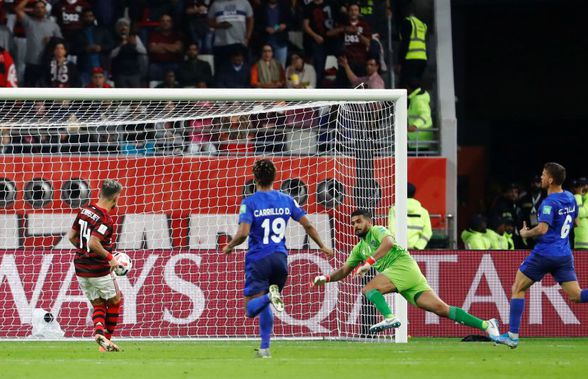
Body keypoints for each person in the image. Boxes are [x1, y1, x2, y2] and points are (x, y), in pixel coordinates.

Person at [311, 209, 500, 339]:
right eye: (353, 223)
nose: (356, 226)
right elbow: (344, 271)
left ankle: (390, 317)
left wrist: (369, 263)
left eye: (359, 221)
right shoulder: (359, 248)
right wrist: (326, 278)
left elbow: (389, 244)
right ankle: (487, 325)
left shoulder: (378, 230)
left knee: (369, 288)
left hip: (403, 266)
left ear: (369, 221)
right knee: (442, 309)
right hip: (407, 276)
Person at [223, 159, 333, 358]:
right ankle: (265, 348)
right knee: (267, 303)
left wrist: (230, 246)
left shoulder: (249, 202)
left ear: (254, 178)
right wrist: (323, 246)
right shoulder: (287, 200)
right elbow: (307, 225)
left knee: (251, 308)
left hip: (258, 259)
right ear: (275, 177)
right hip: (280, 259)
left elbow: (243, 233)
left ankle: (268, 297)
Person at [495, 163, 587, 349]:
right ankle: (511, 336)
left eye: (544, 175)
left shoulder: (548, 203)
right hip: (564, 254)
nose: (541, 178)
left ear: (551, 179)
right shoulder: (570, 197)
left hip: (545, 253)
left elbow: (543, 229)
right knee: (576, 296)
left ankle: (512, 336)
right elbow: (575, 222)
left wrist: (525, 234)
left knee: (518, 288)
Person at [67, 179, 123, 352]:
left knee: (98, 303)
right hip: (99, 269)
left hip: (81, 267)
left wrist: (84, 252)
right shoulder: (106, 219)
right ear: (115, 198)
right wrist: (110, 258)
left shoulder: (85, 210)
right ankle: (106, 341)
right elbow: (94, 243)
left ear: (100, 193)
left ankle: (99, 333)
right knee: (115, 300)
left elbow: (71, 237)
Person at [15, 0, 62, 87]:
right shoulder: (28, 22)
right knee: (28, 93)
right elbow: (18, 9)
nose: (40, 9)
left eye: (42, 7)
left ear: (46, 10)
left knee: (46, 92)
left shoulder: (53, 25)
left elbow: (61, 42)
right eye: (37, 8)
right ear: (33, 10)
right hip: (31, 63)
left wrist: (52, 40)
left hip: (48, 64)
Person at [208, 0, 254, 73]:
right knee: (221, 71)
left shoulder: (244, 2)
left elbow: (250, 20)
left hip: (240, 42)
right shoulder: (216, 4)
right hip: (221, 43)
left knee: (240, 71)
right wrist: (220, 25)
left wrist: (248, 37)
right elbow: (209, 22)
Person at [388, 182, 432, 250]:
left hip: (398, 249)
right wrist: (418, 247)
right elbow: (427, 232)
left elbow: (391, 229)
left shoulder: (394, 209)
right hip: (416, 250)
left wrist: (398, 245)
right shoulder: (423, 211)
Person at [396, 5, 427, 88]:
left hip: (410, 60)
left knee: (404, 87)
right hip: (422, 60)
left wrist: (399, 62)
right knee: (415, 87)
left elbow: (405, 43)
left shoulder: (407, 22)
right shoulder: (422, 24)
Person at [147, 14, 183, 81]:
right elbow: (153, 49)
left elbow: (177, 49)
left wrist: (161, 45)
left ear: (171, 23)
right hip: (157, 64)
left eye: (168, 21)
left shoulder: (176, 35)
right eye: (163, 21)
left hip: (172, 63)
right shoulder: (154, 35)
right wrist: (171, 47)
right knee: (153, 68)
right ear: (160, 23)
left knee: (178, 67)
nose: (165, 23)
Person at [519, 175, 546, 249]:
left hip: (541, 233)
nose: (535, 185)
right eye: (533, 182)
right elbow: (520, 217)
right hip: (527, 233)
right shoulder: (524, 199)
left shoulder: (545, 199)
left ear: (540, 184)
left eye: (537, 182)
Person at [407, 80, 433, 151]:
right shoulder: (415, 98)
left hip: (420, 139)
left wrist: (415, 125)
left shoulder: (418, 99)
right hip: (415, 139)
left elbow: (425, 114)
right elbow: (413, 112)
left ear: (409, 88)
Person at [571, 177, 588, 249]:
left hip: (584, 242)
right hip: (577, 240)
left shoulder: (581, 197)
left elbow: (581, 213)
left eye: (584, 185)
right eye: (580, 185)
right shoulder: (581, 198)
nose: (582, 187)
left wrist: (578, 195)